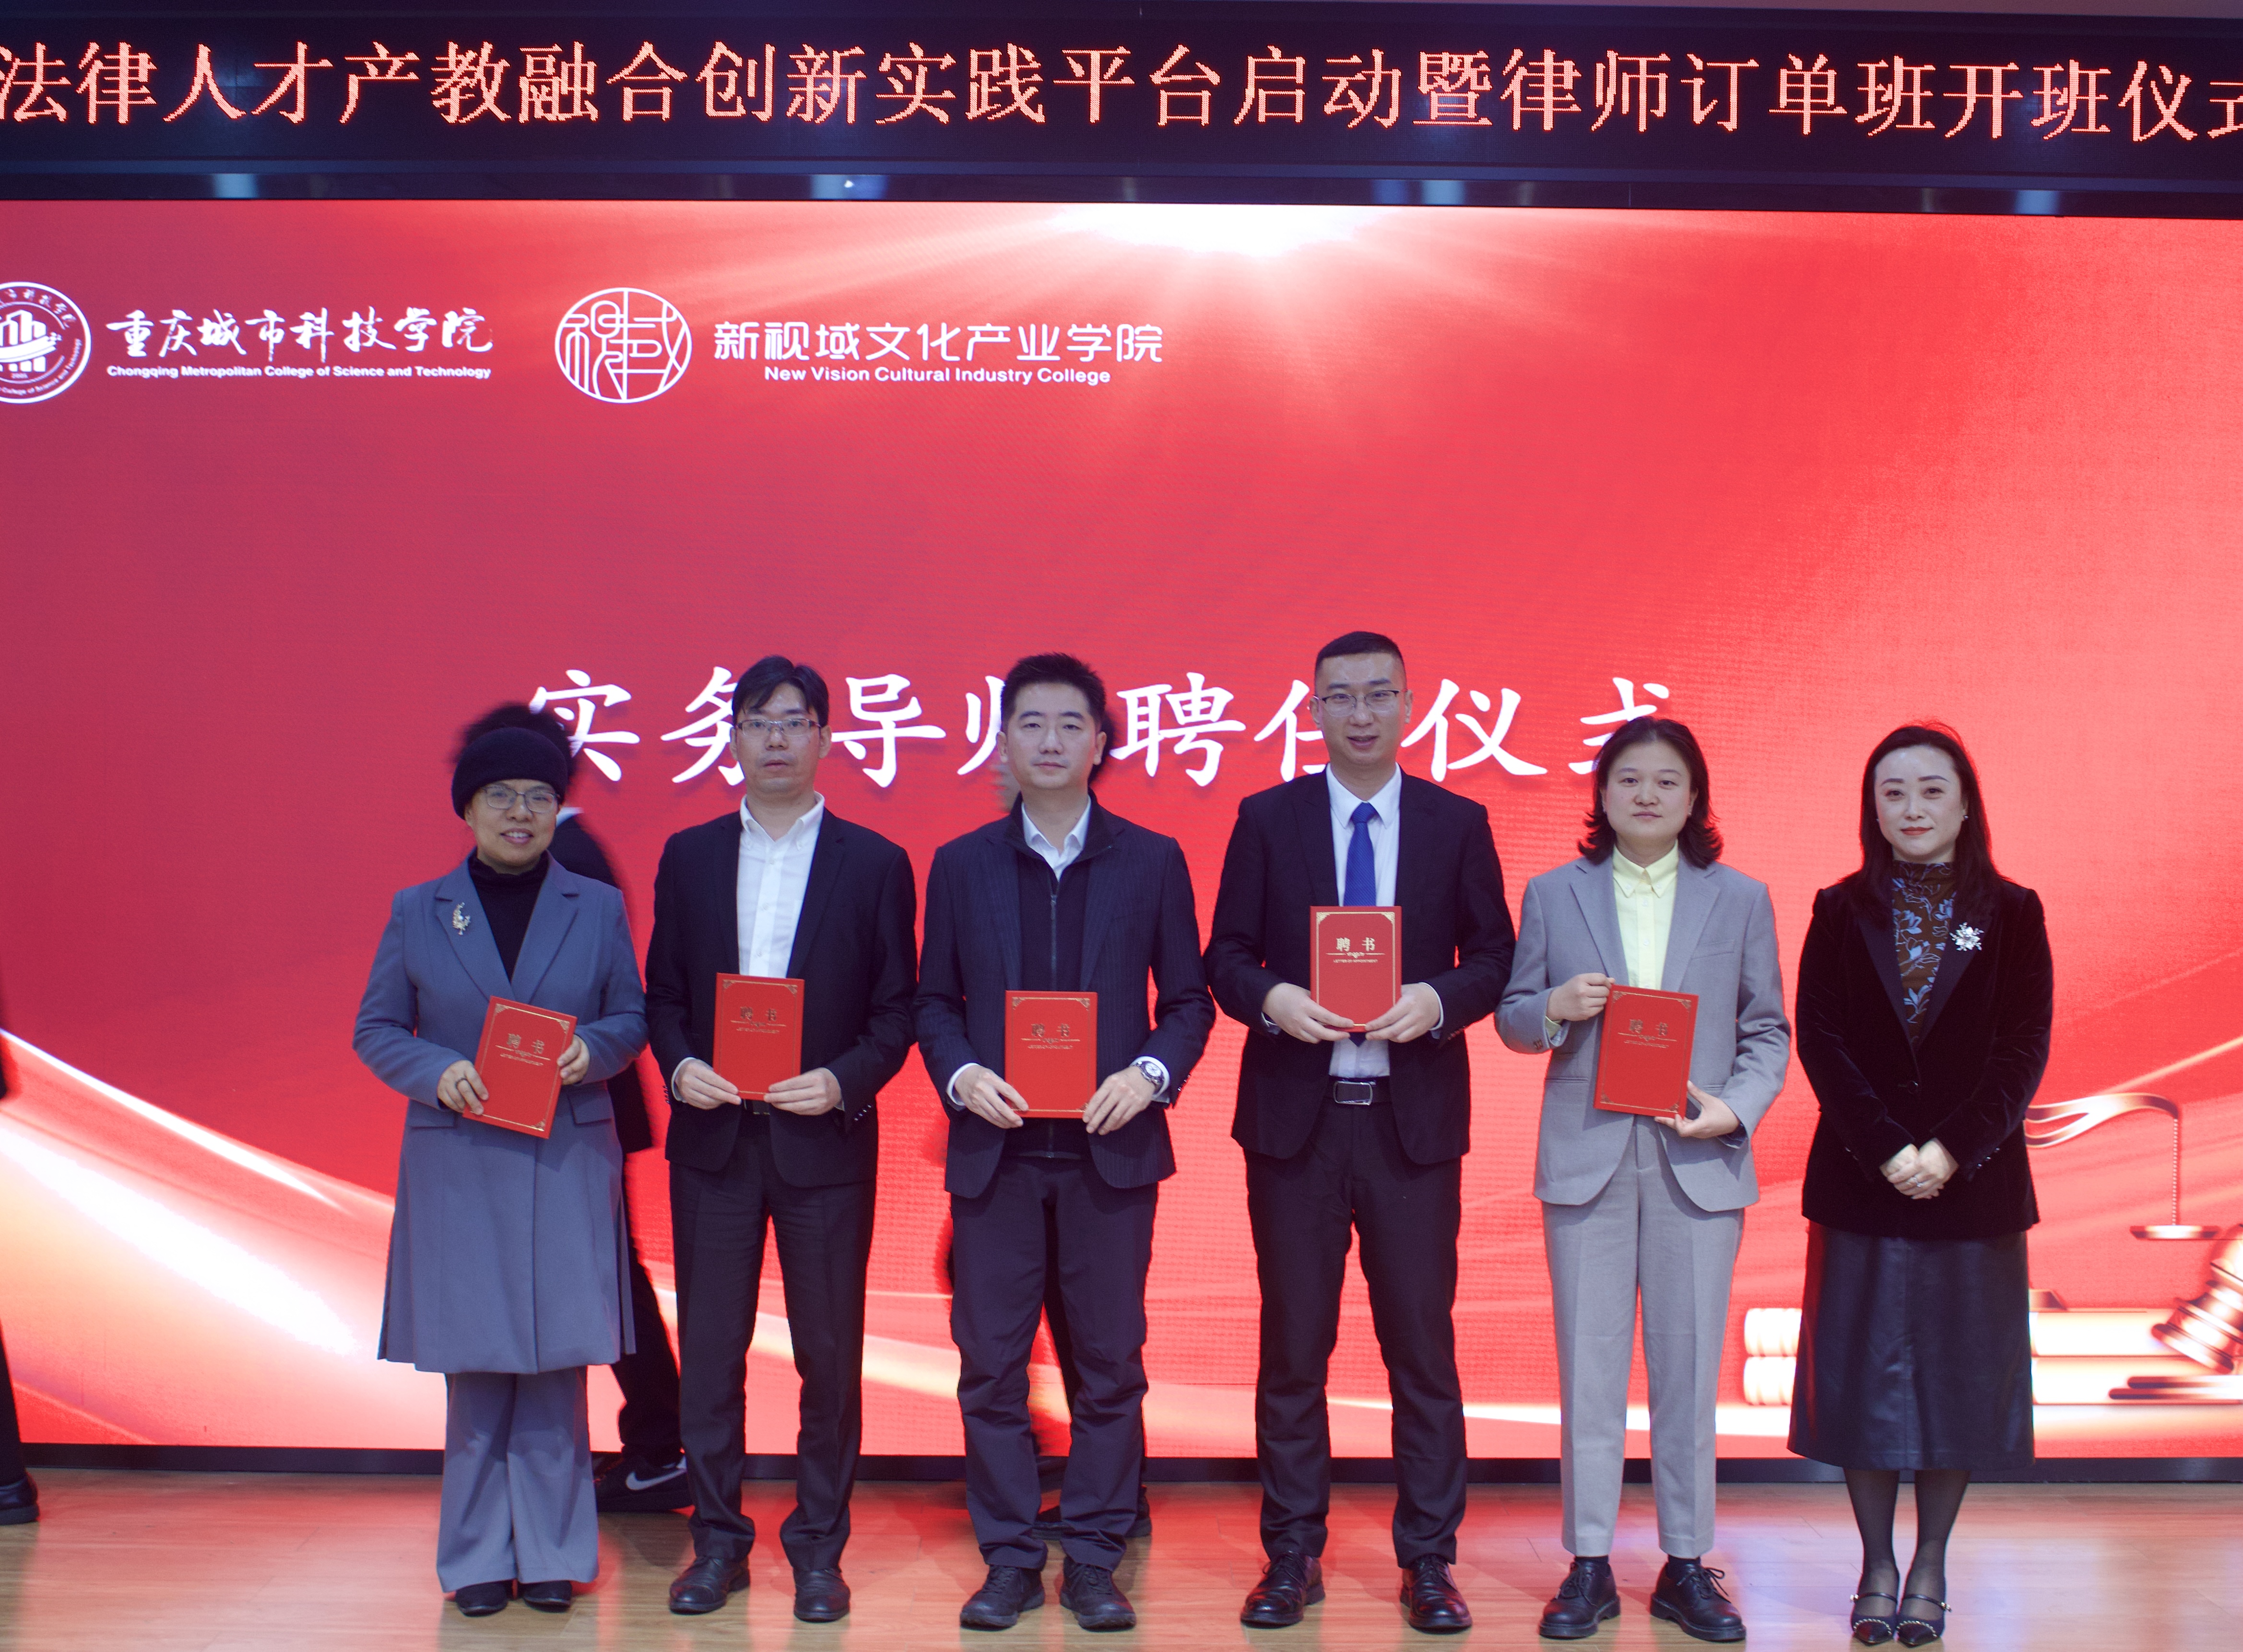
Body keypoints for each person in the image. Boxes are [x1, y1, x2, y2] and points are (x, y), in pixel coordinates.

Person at [1204, 630, 1514, 1635]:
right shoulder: (1268, 818)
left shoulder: (1457, 822)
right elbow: (1225, 956)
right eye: (1340, 697)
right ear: (1314, 710)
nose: (1362, 714)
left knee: (1420, 1349)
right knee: (1294, 1348)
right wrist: (1273, 1001)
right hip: (1295, 1127)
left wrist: (1437, 1000)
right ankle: (1292, 1553)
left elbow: (1496, 956)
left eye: (1380, 694)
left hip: (1408, 1126)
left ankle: (1429, 1560)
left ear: (1411, 704)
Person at [916, 652, 1214, 1633]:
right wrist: (963, 1075)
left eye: (1069, 724)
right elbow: (933, 1001)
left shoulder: (1152, 859)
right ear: (1003, 741)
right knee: (990, 1369)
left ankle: (1092, 1558)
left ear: (1101, 743)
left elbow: (1187, 1002)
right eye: (1030, 723)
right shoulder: (961, 863)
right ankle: (1008, 1559)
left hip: (1108, 1154)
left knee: (1110, 1366)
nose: (1049, 741)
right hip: (996, 1154)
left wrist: (1148, 1076)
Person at [1496, 718, 1790, 1644]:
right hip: (1587, 1157)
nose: (1649, 795)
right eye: (1629, 779)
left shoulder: (1741, 898)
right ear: (1602, 794)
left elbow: (1768, 1030)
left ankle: (1685, 1564)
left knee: (1689, 1370)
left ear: (1695, 797)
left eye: (1668, 781)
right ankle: (1587, 1563)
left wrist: (1733, 1110)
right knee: (1587, 1367)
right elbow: (1512, 1017)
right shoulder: (1555, 892)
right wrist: (1552, 1008)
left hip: (1696, 1158)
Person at [645, 657, 918, 1624]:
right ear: (731, 737)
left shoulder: (875, 862)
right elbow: (662, 996)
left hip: (823, 1145)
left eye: (795, 722)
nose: (776, 739)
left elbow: (898, 1012)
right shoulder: (688, 855)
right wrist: (681, 1065)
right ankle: (718, 1543)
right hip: (714, 1141)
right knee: (712, 1354)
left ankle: (817, 1551)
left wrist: (842, 1080)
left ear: (825, 738)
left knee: (828, 1360)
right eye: (759, 722)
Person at [353, 727, 648, 1616]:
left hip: (566, 1157)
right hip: (462, 1159)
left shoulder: (595, 906)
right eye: (502, 796)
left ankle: (554, 1554)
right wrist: (435, 1071)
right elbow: (377, 1029)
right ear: (469, 809)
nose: (522, 813)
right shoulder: (419, 909)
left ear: (559, 808)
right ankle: (478, 1558)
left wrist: (593, 1052)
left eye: (539, 796)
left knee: (558, 1370)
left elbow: (632, 1017)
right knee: (477, 1371)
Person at [1789, 725, 2051, 1649]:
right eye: (1892, 792)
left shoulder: (2013, 912)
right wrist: (1887, 1148)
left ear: (1966, 803)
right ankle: (1876, 1566)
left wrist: (1951, 1150)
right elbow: (1820, 1039)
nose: (1911, 809)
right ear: (1872, 807)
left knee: (1956, 1384)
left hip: (1972, 1187)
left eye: (1931, 791)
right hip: (1862, 1181)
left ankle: (1931, 1564)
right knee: (1862, 1382)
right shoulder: (1838, 908)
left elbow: (2023, 1049)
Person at [453, 705, 685, 1514]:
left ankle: (659, 1444)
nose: (505, 806)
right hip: (553, 1102)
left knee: (603, 1276)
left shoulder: (566, 856)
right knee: (607, 1272)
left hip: (569, 1103)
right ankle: (654, 1443)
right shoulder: (561, 848)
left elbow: (586, 993)